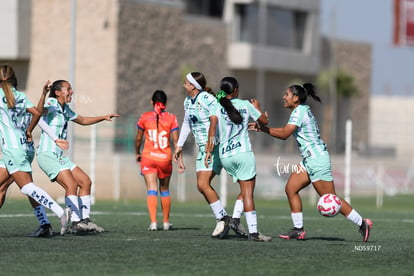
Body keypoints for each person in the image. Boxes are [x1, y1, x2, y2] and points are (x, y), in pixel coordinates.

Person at [251, 83, 373, 242]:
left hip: (317, 160)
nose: (283, 97)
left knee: (330, 198)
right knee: (291, 189)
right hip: (310, 160)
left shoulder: (299, 112)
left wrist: (263, 129)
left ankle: (362, 223)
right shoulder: (300, 110)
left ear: (295, 98)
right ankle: (298, 229)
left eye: (287, 94)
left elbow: (285, 134)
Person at [36, 79, 119, 234]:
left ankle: (84, 221)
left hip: (59, 156)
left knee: (85, 181)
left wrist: (103, 117)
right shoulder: (52, 103)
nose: (71, 92)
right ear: (57, 92)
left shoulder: (64, 108)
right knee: (71, 185)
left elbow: (82, 120)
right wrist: (43, 94)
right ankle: (75, 223)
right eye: (68, 89)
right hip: (47, 154)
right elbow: (39, 112)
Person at [174, 72, 247, 239]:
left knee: (205, 184)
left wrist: (211, 142)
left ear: (193, 86)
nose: (184, 85)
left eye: (186, 82)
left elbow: (217, 119)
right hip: (202, 148)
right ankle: (225, 218)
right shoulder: (188, 101)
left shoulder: (207, 99)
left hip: (215, 147)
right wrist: (179, 146)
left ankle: (226, 218)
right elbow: (186, 124)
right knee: (201, 186)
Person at [0, 64, 70, 236]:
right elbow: (38, 114)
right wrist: (30, 130)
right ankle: (45, 225)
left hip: (13, 149)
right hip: (26, 147)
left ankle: (59, 211)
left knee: (27, 187)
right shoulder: (20, 96)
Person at [204, 76, 271, 241]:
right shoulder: (246, 105)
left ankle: (234, 220)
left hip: (226, 156)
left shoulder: (216, 107)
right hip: (243, 154)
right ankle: (254, 233)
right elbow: (265, 121)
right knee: (248, 193)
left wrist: (208, 151)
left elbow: (212, 129)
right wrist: (258, 107)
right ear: (235, 90)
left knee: (244, 190)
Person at [135, 90, 179, 231]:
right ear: (165, 104)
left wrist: (137, 152)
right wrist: (178, 155)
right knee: (164, 189)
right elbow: (176, 140)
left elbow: (138, 139)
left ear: (151, 102)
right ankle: (166, 222)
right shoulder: (172, 118)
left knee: (151, 189)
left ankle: (153, 222)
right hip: (165, 158)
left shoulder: (145, 117)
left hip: (148, 157)